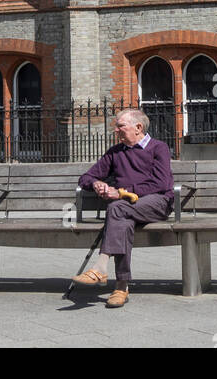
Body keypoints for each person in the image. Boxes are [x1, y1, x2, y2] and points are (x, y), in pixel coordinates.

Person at [73, 108, 174, 308]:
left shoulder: (158, 148)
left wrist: (121, 192)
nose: (116, 130)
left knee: (117, 208)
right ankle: (121, 287)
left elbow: (161, 183)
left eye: (120, 126)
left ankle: (101, 266)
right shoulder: (116, 152)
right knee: (122, 220)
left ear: (138, 127)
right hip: (126, 208)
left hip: (157, 202)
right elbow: (85, 177)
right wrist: (96, 184)